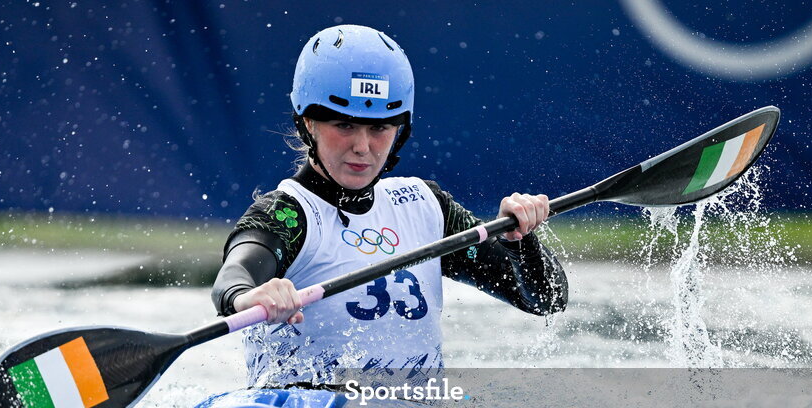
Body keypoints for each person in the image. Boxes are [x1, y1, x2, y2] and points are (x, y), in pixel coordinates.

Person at [212, 24, 569, 388]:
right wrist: (249, 296)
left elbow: (546, 301)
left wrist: (520, 241)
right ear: (308, 122)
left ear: (401, 130)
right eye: (345, 124)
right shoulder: (287, 214)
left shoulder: (426, 206)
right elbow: (234, 276)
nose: (363, 147)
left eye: (380, 127)